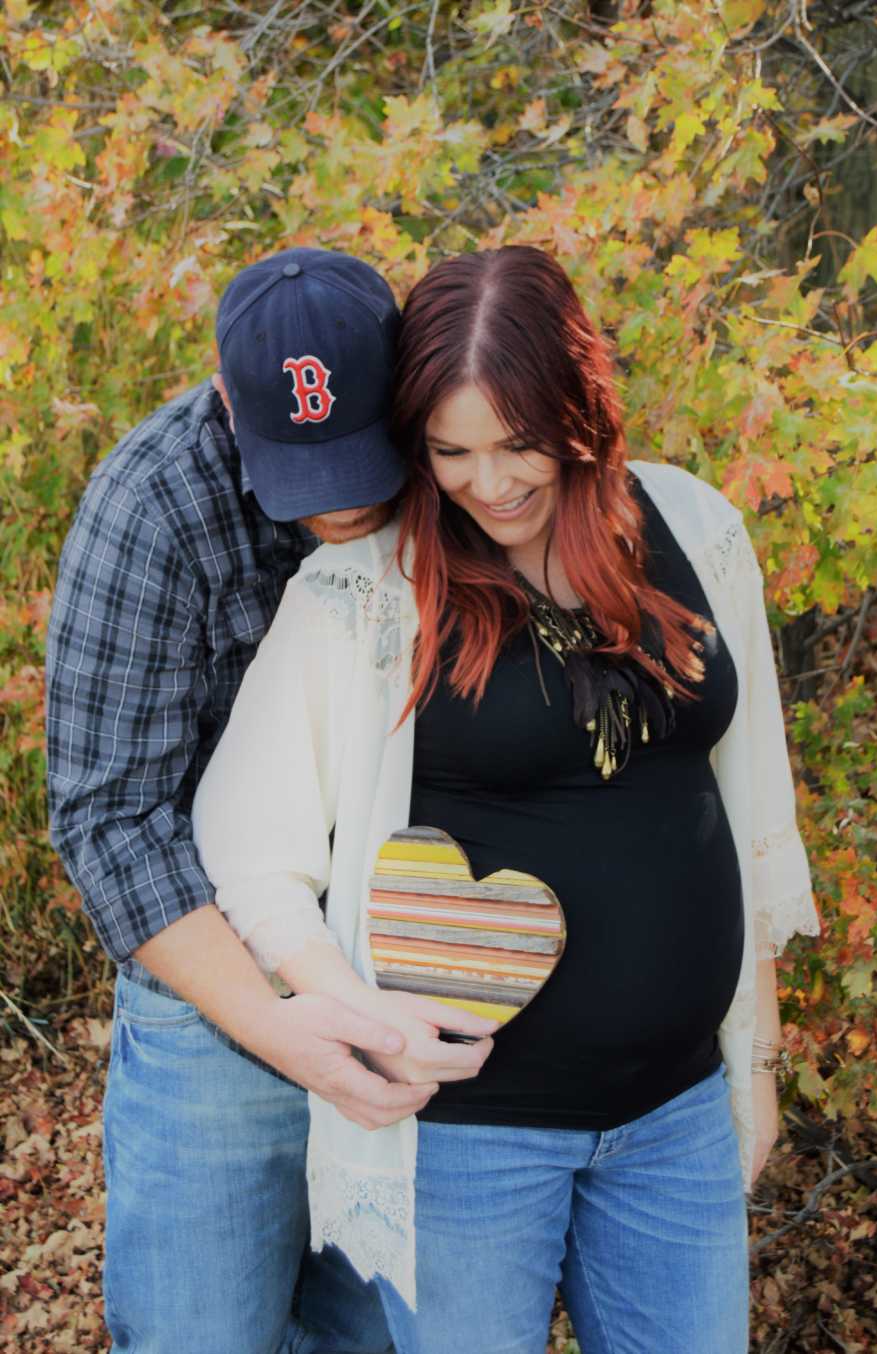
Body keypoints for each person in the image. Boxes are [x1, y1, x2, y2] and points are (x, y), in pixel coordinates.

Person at [191, 246, 821, 1354]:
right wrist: (350, 1008)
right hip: (468, 1142)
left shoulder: (697, 528)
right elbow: (248, 841)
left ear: (581, 408)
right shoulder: (368, 591)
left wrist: (754, 1065)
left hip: (674, 1116)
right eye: (453, 451)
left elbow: (746, 799)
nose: (491, 483)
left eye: (520, 442)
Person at [45, 245, 495, 1354]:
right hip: (217, 998)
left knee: (369, 1334)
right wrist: (276, 1022)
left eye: (364, 461)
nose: (343, 504)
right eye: (308, 472)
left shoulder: (461, 460)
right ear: (223, 397)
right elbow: (107, 821)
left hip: (396, 971)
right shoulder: (150, 505)